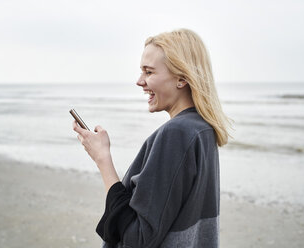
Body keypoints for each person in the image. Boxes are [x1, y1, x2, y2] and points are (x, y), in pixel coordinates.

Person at [72, 28, 230, 248]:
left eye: (149, 72)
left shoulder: (177, 134)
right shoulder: (203, 130)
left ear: (182, 78)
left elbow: (137, 238)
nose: (139, 81)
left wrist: (103, 160)